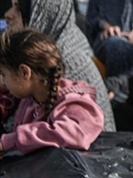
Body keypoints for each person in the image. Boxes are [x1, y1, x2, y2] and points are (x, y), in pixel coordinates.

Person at [4, 0, 116, 131]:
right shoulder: (45, 54)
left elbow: (47, 133)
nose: (8, 15)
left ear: (42, 17)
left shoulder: (61, 62)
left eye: (18, 9)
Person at [0, 29, 104, 158]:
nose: (3, 82)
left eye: (3, 74)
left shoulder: (75, 104)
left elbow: (73, 135)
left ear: (25, 72)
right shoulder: (29, 102)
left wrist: (8, 142)